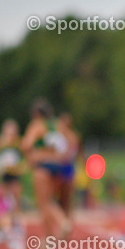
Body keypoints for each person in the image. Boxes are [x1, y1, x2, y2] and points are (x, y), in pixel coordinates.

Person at [21, 99, 72, 241]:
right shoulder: (59, 125)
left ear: (36, 113)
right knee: (52, 200)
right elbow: (70, 143)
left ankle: (61, 223)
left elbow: (26, 144)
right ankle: (50, 236)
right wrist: (58, 156)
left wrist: (33, 156)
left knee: (44, 203)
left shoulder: (37, 125)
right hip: (59, 166)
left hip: (42, 166)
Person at [0, 119, 25, 238]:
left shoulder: (18, 143)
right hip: (3, 176)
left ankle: (16, 224)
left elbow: (26, 158)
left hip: (15, 175)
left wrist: (19, 167)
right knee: (3, 202)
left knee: (16, 200)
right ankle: (4, 226)